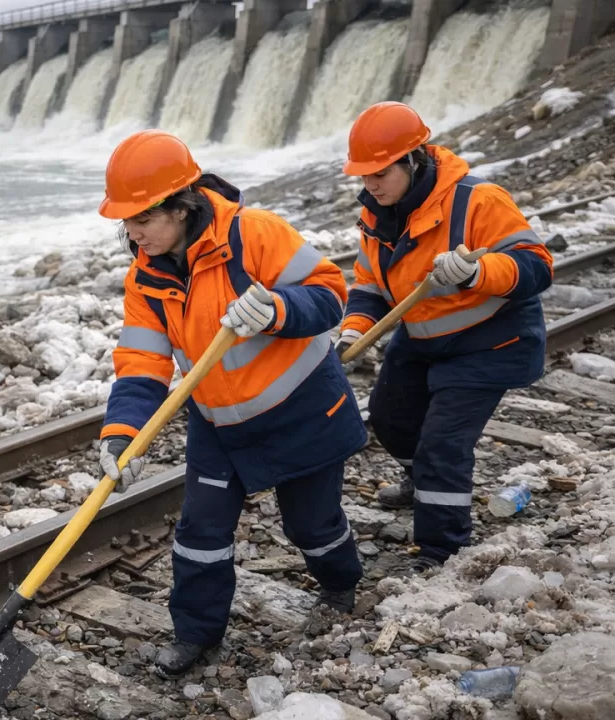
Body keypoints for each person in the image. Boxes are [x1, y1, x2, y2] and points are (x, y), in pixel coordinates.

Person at [97, 131, 366, 677]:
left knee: (311, 525)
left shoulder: (255, 235)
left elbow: (330, 292)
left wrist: (276, 310)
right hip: (219, 423)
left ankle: (341, 584)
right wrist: (122, 433)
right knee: (201, 531)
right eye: (125, 222)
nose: (133, 232)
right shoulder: (145, 278)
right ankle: (195, 634)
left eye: (142, 219)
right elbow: (143, 362)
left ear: (181, 205)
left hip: (302, 411)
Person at [339, 102, 554, 573]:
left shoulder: (479, 200)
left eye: (380, 172)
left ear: (413, 160)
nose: (370, 184)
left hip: (489, 341)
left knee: (442, 445)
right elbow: (370, 287)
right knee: (391, 420)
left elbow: (536, 266)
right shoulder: (377, 215)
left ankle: (440, 550)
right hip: (425, 334)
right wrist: (352, 333)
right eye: (364, 176)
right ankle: (422, 482)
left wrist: (479, 271)